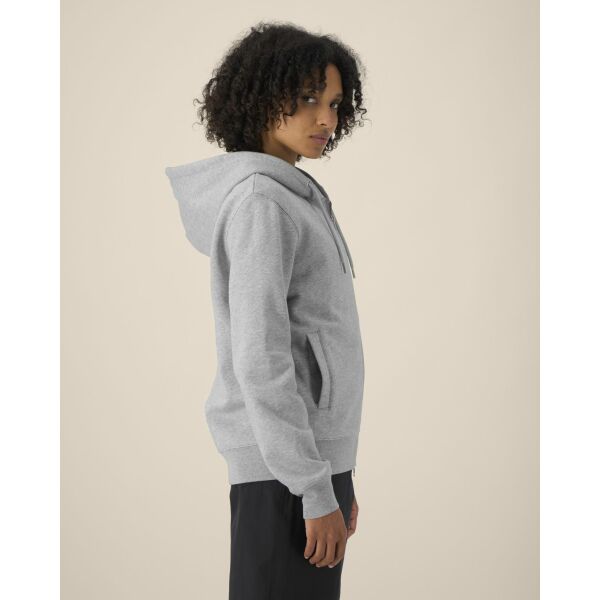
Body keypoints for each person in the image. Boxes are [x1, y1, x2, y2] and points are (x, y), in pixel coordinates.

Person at [165, 21, 368, 600]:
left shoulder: (294, 196)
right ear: (261, 96)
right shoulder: (262, 202)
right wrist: (312, 485)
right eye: (308, 99)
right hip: (284, 473)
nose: (326, 119)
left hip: (305, 465)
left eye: (335, 104)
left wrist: (335, 473)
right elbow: (260, 357)